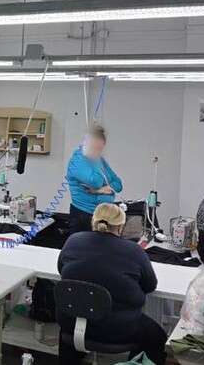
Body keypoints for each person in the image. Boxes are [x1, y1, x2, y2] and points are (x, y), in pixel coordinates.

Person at [57, 203, 167, 365]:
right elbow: (150, 286)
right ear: (121, 226)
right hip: (119, 329)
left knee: (74, 322)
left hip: (72, 323)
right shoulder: (134, 251)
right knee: (158, 337)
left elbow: (62, 270)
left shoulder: (73, 241)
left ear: (93, 221)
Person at [66, 125, 123, 233]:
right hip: (84, 215)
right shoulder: (77, 162)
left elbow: (118, 184)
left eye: (99, 149)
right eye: (94, 147)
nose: (97, 152)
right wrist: (95, 161)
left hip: (103, 214)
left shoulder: (100, 160)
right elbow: (96, 182)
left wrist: (100, 190)